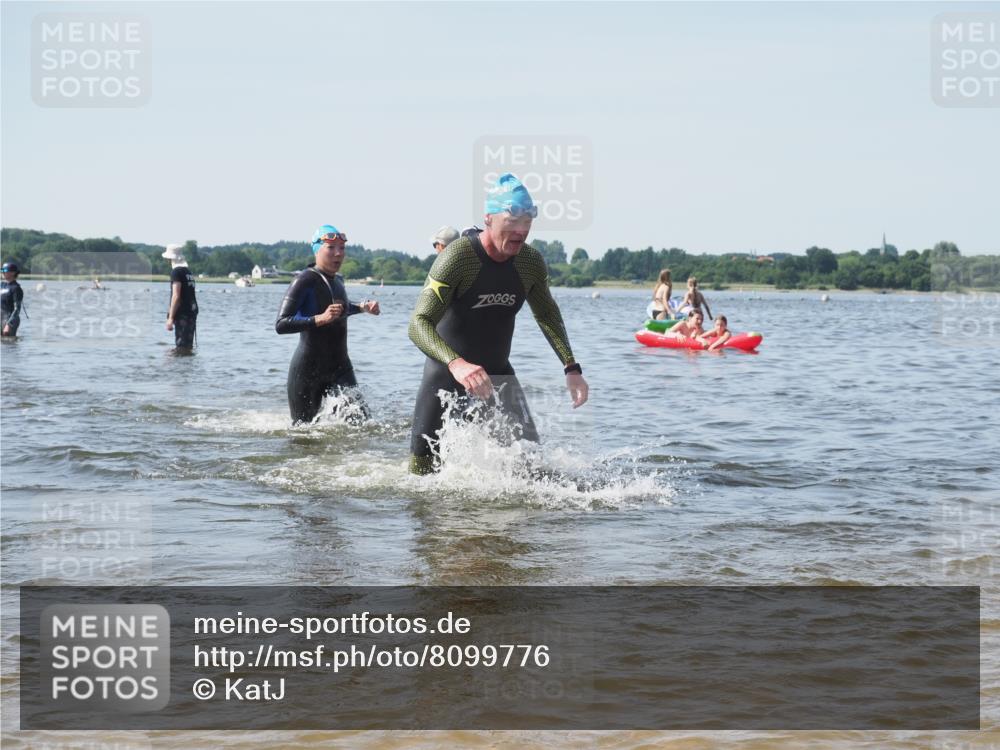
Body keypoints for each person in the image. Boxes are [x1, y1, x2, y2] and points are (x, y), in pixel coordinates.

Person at [407, 173, 588, 475]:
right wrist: (457, 364)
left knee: (533, 470)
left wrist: (571, 368)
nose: (521, 231)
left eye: (528, 222)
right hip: (444, 378)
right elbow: (418, 324)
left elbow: (547, 314)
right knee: (421, 478)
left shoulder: (529, 262)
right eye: (512, 221)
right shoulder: (458, 258)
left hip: (498, 376)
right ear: (489, 218)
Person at [275, 224, 380, 425]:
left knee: (363, 424)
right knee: (304, 433)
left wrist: (363, 307)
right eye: (331, 248)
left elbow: (341, 309)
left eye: (342, 248)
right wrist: (318, 319)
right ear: (317, 249)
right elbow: (281, 324)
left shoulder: (338, 280)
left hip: (340, 367)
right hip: (307, 371)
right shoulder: (304, 280)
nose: (338, 254)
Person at [163, 244, 199, 352]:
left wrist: (170, 318)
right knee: (188, 346)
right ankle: (187, 367)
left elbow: (176, 296)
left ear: (170, 259)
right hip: (192, 311)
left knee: (181, 347)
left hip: (183, 313)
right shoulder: (188, 272)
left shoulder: (176, 272)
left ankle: (179, 368)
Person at [1, 261, 24, 337]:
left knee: (9, 344)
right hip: (1, 316)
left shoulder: (16, 288)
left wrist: (9, 324)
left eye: (5, 270)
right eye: (2, 270)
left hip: (10, 319)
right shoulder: (2, 285)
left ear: (13, 273)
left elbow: (17, 309)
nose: (2, 272)